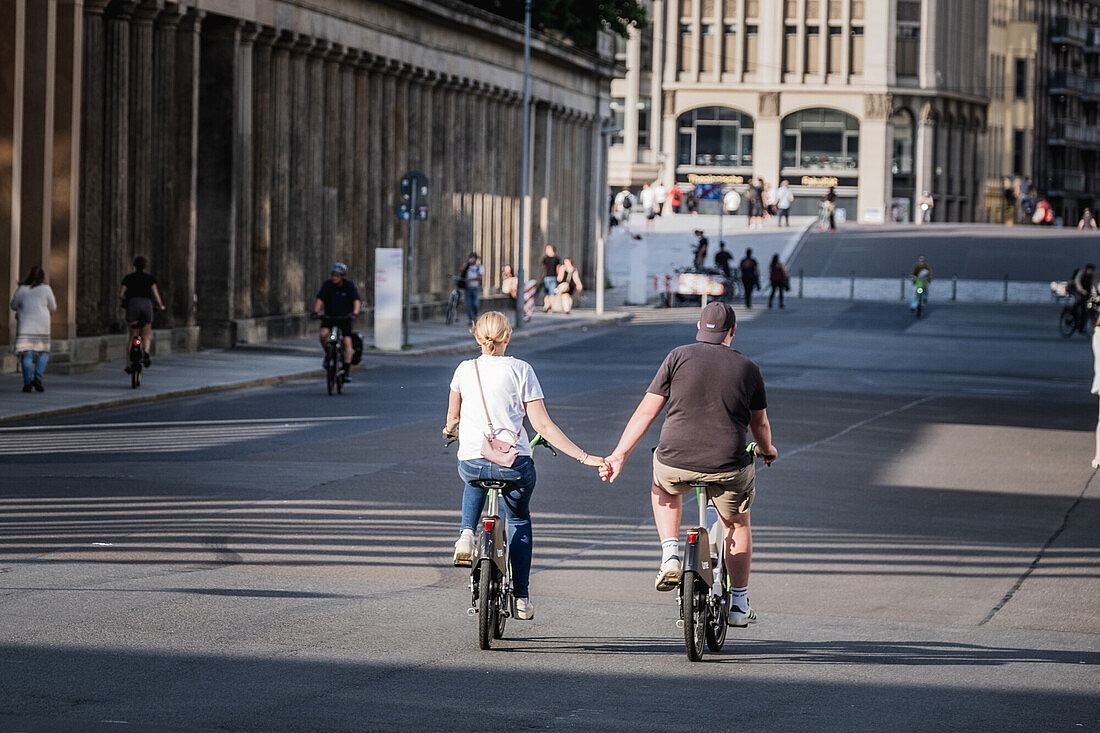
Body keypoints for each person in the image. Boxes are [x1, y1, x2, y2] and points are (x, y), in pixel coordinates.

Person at [599, 302, 777, 627]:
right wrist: (767, 450)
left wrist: (619, 455)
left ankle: (670, 553)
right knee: (737, 523)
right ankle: (738, 602)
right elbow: (759, 425)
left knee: (663, 483)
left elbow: (645, 412)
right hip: (728, 464)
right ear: (733, 332)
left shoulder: (677, 357)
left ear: (699, 325)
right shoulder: (748, 368)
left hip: (675, 459)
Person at [445, 312, 604, 620]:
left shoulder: (464, 370)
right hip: (514, 464)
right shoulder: (521, 370)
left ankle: (466, 533)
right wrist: (584, 456)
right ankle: (521, 597)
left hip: (473, 462)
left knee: (474, 474)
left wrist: (453, 432)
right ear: (507, 336)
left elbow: (452, 420)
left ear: (476, 337)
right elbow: (542, 424)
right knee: (518, 519)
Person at [10, 265, 57, 393]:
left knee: (27, 354)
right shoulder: (46, 289)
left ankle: (27, 383)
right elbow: (53, 306)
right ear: (42, 277)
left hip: (26, 325)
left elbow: (13, 305)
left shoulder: (22, 289)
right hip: (42, 326)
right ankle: (38, 377)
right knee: (43, 352)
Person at [312, 262, 361, 380]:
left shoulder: (349, 286)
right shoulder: (327, 285)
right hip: (330, 316)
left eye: (337, 275)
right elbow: (320, 298)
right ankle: (329, 354)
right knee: (323, 335)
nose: (335, 278)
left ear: (343, 276)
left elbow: (356, 300)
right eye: (333, 275)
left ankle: (346, 371)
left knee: (347, 343)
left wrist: (355, 312)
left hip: (344, 318)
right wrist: (316, 311)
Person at [119, 256, 167, 372]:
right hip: (146, 305)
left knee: (132, 336)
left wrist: (127, 301)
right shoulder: (150, 278)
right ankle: (145, 352)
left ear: (134, 265)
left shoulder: (128, 278)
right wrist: (161, 306)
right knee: (145, 335)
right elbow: (156, 294)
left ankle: (128, 365)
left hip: (133, 304)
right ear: (145, 266)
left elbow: (121, 294)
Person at [459, 252, 483, 325]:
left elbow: (479, 277)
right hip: (467, 288)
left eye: (473, 258)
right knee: (468, 304)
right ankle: (470, 319)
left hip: (475, 288)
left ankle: (475, 315)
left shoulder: (479, 267)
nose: (471, 259)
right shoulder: (467, 266)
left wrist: (471, 279)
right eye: (470, 257)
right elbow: (461, 270)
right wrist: (467, 263)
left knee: (475, 303)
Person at [1071, 264, 1096, 333]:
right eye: (1090, 270)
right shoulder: (1081, 274)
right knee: (1079, 301)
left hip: (1085, 293)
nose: (1091, 272)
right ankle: (1072, 312)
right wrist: (1081, 290)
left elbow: (1093, 284)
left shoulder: (1091, 276)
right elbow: (1077, 282)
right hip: (1076, 290)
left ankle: (1081, 328)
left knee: (1085, 311)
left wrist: (1096, 292)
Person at [540, 245, 562, 313]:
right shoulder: (545, 259)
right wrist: (541, 277)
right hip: (546, 277)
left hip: (553, 277)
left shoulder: (556, 259)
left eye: (548, 249)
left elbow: (558, 268)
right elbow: (543, 268)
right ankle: (546, 305)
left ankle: (551, 307)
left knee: (552, 293)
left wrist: (559, 276)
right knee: (547, 293)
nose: (546, 251)